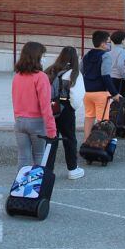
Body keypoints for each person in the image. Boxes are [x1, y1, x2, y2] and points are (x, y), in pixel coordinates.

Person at [11, 41, 58, 169]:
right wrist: (51, 129)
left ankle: (22, 184)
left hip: (20, 120)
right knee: (39, 156)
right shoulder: (41, 77)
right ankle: (37, 186)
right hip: (37, 121)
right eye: (42, 55)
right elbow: (45, 106)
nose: (44, 58)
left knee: (23, 157)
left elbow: (15, 99)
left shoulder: (17, 76)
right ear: (37, 57)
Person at [44, 46, 85, 180]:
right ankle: (72, 169)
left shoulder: (51, 70)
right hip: (66, 108)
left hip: (51, 106)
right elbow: (77, 96)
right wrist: (72, 107)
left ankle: (47, 169)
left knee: (51, 139)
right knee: (69, 138)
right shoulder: (74, 73)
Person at [80, 31, 120, 139]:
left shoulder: (86, 55)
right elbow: (106, 76)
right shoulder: (105, 56)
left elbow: (81, 71)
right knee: (102, 120)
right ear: (102, 44)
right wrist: (114, 93)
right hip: (101, 93)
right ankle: (100, 144)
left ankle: (85, 142)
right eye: (108, 42)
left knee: (89, 117)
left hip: (87, 92)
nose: (109, 44)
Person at [107, 30, 125, 103]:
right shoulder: (123, 51)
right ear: (122, 40)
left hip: (111, 78)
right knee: (122, 102)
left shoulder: (109, 52)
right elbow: (120, 64)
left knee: (114, 101)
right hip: (120, 80)